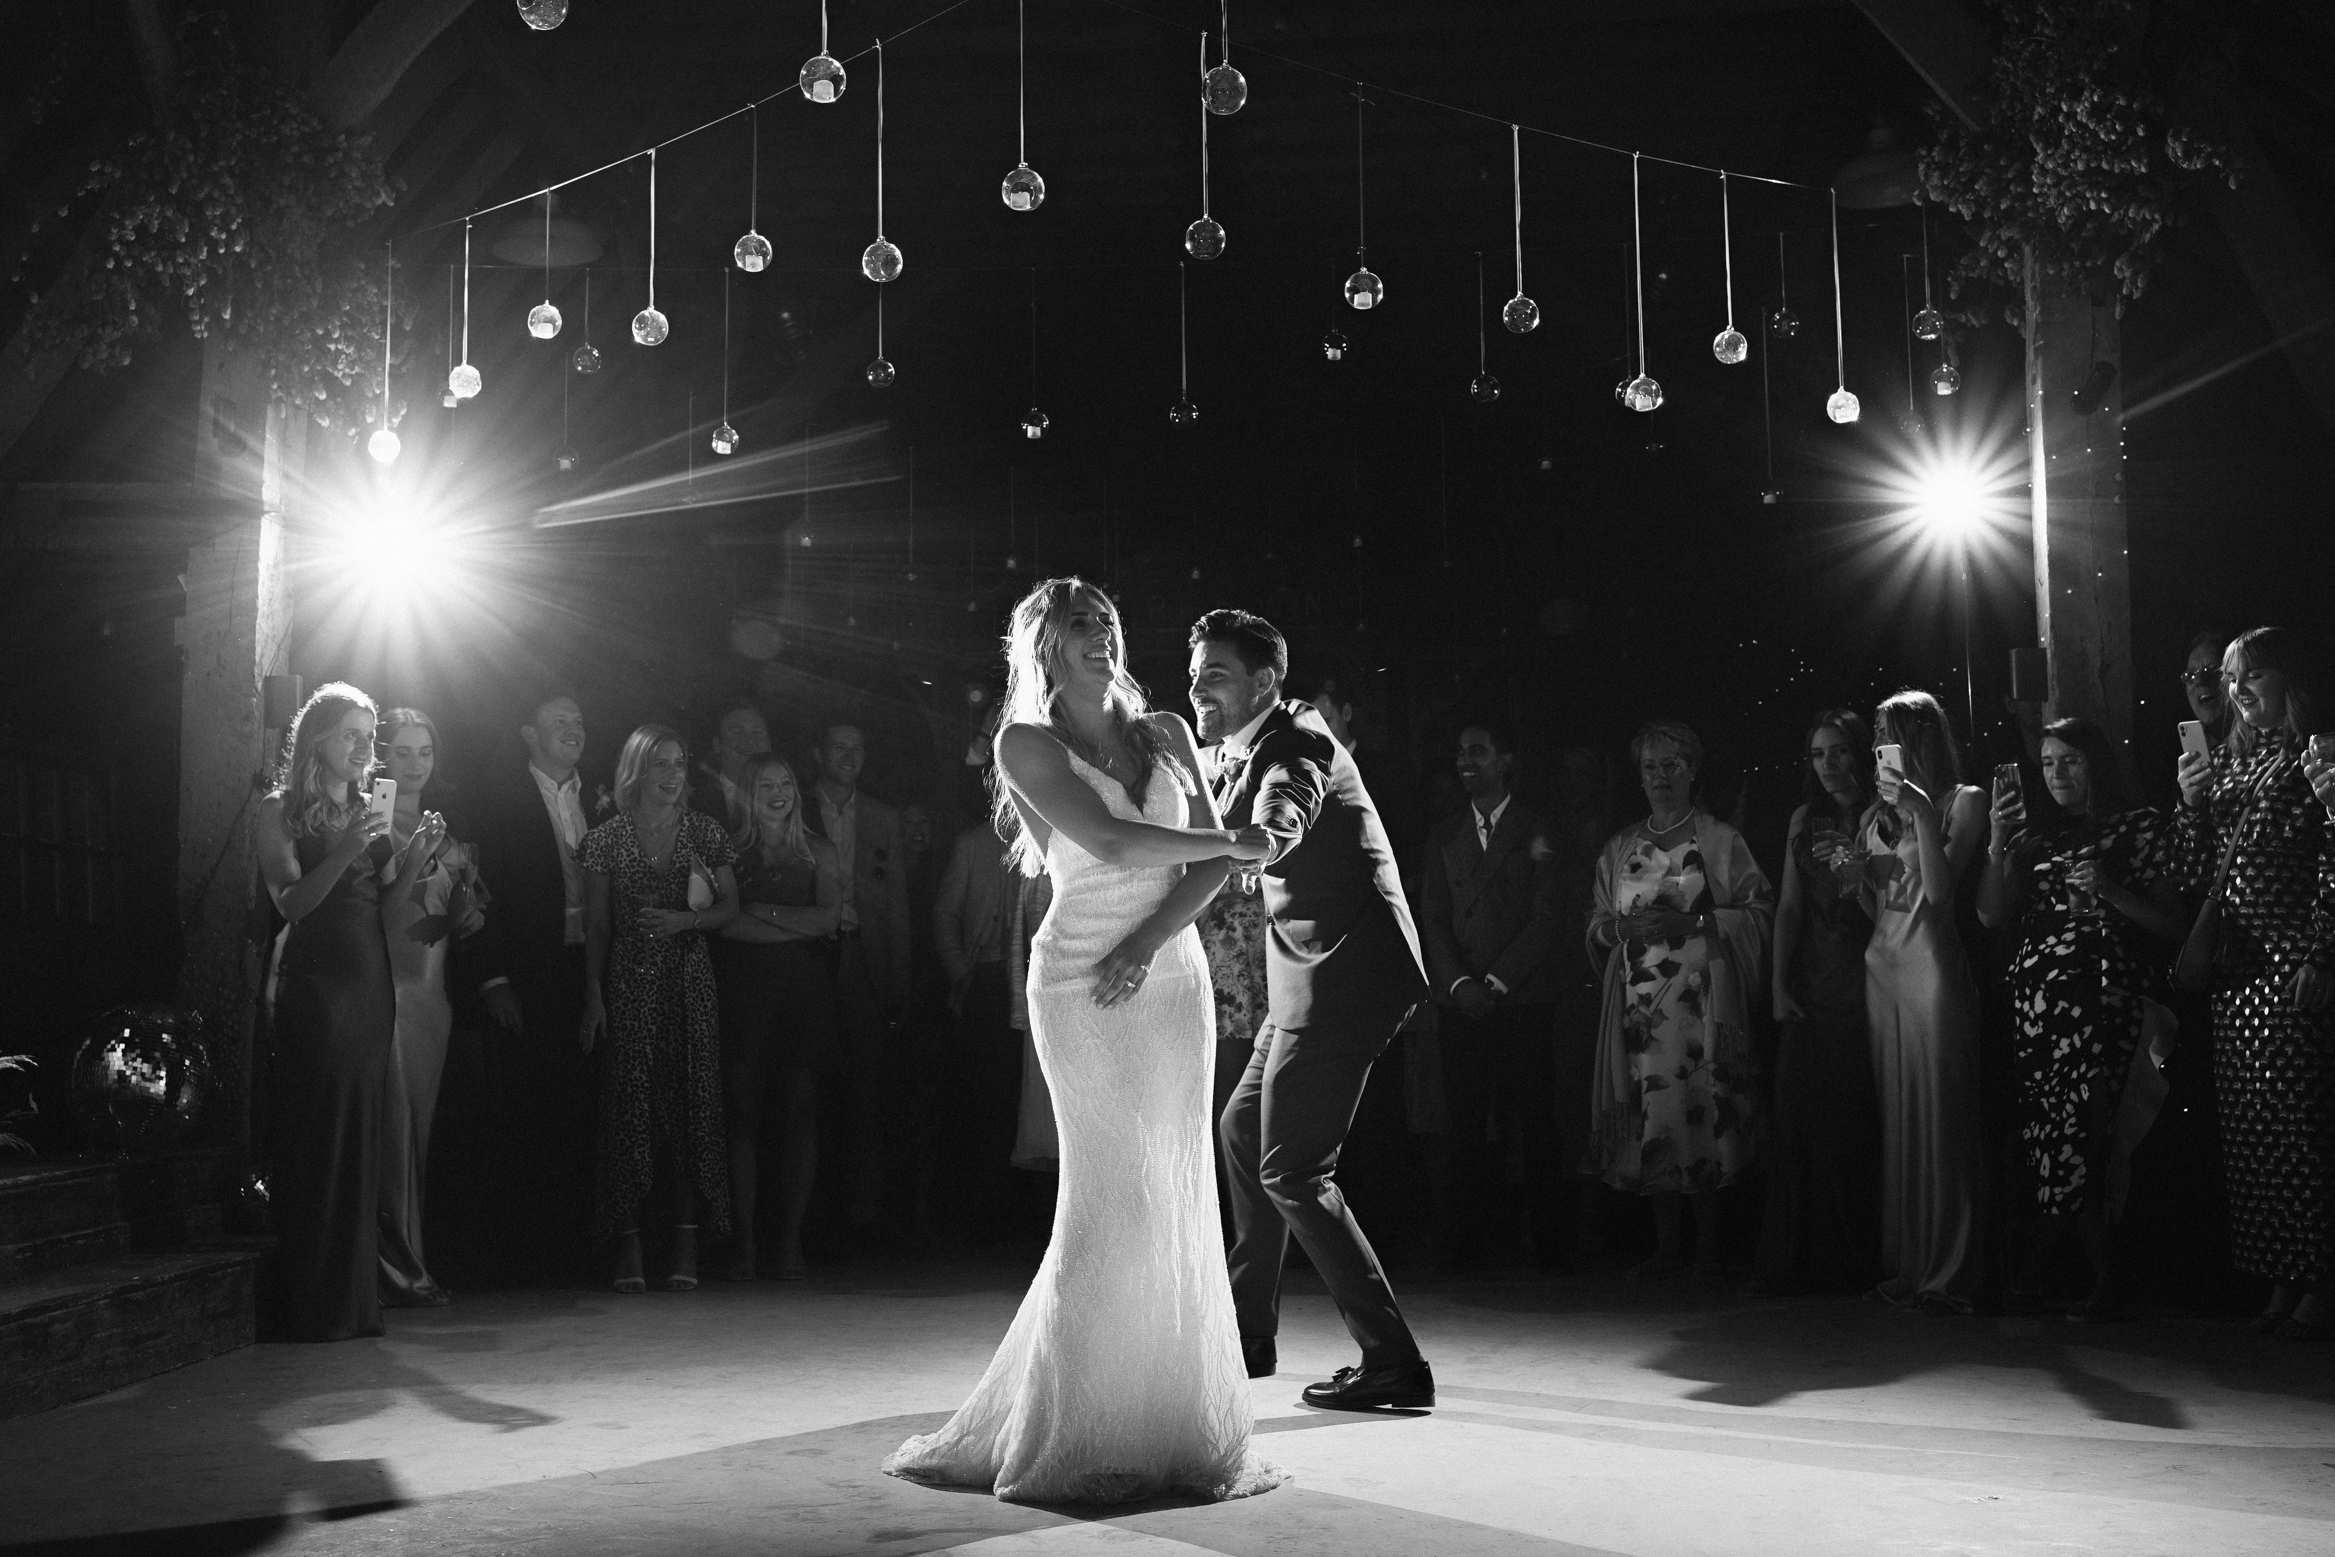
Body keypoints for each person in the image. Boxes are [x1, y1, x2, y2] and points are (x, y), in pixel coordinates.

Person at [883, 578, 1283, 1504]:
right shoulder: (1023, 742)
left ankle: (1166, 1424)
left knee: (1174, 1189)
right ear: (1045, 649)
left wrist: (1153, 934)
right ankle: (1075, 1425)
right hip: (1078, 979)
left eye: (1106, 622)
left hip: (1170, 976)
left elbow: (1194, 870)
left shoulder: (1168, 732)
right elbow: (1105, 840)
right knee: (1109, 1192)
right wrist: (1232, 838)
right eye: (1079, 627)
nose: (1101, 636)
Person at [1198, 609, 1435, 1411]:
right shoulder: (1247, 742)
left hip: (1348, 975)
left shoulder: (1298, 740)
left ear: (1264, 681)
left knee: (1294, 1170)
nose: (1198, 685)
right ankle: (1246, 1332)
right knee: (1239, 1128)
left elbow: (1282, 804)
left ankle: (1392, 1361)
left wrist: (1264, 838)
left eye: (1215, 673)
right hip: (1311, 975)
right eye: (1195, 672)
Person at [1978, 717, 2185, 1319]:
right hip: (2039, 1010)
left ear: (2096, 762)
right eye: (2047, 763)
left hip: (2103, 1001)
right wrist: (1997, 843)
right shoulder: (2039, 836)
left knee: (2089, 1136)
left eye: (2069, 760)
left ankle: (2104, 1277)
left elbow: (2173, 926)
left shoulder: (2140, 826)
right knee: (2046, 1137)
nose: (2057, 774)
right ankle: (2060, 1268)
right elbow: (1991, 916)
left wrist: (2114, 892)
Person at [256, 683, 442, 1341]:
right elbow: (291, 903)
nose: (367, 747)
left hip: (369, 986)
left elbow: (385, 911)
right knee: (319, 1136)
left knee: (362, 1138)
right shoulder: (278, 809)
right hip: (316, 987)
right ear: (318, 741)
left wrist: (416, 854)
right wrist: (344, 846)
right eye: (353, 735)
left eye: (370, 736)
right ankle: (313, 1305)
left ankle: (354, 1304)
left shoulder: (372, 808)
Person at [2183, 627, 2335, 1340]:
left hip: (2289, 965)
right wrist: (2188, 802)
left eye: (2251, 675)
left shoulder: (2319, 757)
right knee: (2254, 1136)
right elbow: (2193, 874)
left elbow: (2333, 861)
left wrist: (2321, 953)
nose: (2236, 689)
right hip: (2235, 976)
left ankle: (2321, 1283)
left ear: (2287, 681)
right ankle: (2279, 1281)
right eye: (2229, 677)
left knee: (2304, 1132)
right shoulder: (2231, 768)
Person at [1584, 720, 1772, 1279]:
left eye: (1672, 766)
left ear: (1692, 771)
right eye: (1651, 767)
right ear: (1638, 777)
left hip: (1703, 1002)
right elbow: (1594, 925)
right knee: (1654, 1115)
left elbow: (1759, 913)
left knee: (1704, 1109)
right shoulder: (1620, 847)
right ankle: (1667, 1248)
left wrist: (1693, 921)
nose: (1661, 776)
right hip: (1640, 1006)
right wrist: (1620, 932)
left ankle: (1709, 1249)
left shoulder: (1718, 839)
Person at [578, 725, 741, 1293]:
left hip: (689, 980)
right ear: (637, 771)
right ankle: (629, 1248)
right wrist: (593, 994)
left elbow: (731, 908)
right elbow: (596, 926)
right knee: (631, 1108)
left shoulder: (705, 832)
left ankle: (688, 1243)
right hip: (627, 983)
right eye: (661, 765)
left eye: (680, 763)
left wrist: (685, 921)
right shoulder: (606, 839)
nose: (673, 775)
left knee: (691, 1104)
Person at [1420, 720, 1568, 1271]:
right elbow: (1432, 918)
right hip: (1462, 1003)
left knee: (1534, 1125)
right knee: (1465, 1127)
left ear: (1505, 759)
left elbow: (1546, 915)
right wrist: (1459, 983)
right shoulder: (1443, 833)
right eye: (1460, 753)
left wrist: (1497, 981)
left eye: (1478, 752)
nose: (1466, 763)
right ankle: (1467, 1250)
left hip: (1522, 999)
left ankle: (1551, 1249)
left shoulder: (1536, 828)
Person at [1860, 688, 1990, 1312]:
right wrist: (1850, 878)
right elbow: (1877, 904)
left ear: (1919, 741)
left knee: (1942, 1118)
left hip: (1932, 965)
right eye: (1878, 741)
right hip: (1881, 966)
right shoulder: (1873, 816)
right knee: (1899, 1124)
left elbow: (1941, 896)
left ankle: (1950, 1272)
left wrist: (1919, 813)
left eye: (1891, 738)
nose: (1882, 754)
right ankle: (1909, 1268)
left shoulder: (1961, 801)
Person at [468, 690, 599, 1280]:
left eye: (577, 721)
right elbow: (480, 892)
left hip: (589, 964)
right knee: (528, 1110)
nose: (573, 730)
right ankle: (527, 1254)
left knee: (584, 1106)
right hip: (530, 967)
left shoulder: (601, 798)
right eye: (558, 722)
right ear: (529, 734)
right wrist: (494, 978)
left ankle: (579, 1249)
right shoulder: (499, 801)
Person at [1753, 710, 1881, 1295]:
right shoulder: (1805, 817)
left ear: (1861, 752)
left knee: (1851, 1121)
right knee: (1800, 1116)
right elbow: (1787, 907)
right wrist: (1777, 984)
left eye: (1838, 751)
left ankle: (1854, 1261)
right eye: (1816, 754)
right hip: (1812, 973)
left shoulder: (1884, 814)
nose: (1827, 765)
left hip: (1868, 969)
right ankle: (1797, 1262)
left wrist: (1859, 873)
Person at [713, 754, 843, 1282]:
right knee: (741, 1117)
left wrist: (761, 912)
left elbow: (829, 921)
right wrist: (795, 924)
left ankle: (790, 1243)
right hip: (745, 996)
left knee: (801, 1115)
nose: (776, 791)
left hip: (803, 998)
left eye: (784, 782)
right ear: (748, 792)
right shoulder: (728, 851)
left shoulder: (822, 851)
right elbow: (725, 928)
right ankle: (744, 1244)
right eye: (764, 783)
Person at [375, 707, 485, 1308]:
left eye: (425, 752)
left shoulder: (447, 823)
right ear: (381, 758)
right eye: (402, 752)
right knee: (391, 1131)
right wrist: (418, 854)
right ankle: (398, 1273)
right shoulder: (372, 816)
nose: (415, 764)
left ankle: (411, 1264)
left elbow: (467, 920)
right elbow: (374, 908)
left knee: (417, 1134)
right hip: (384, 986)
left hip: (432, 994)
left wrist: (466, 903)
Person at [807, 719, 915, 1234]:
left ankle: (861, 1214)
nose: (849, 756)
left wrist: (898, 982)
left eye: (858, 748)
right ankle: (812, 1209)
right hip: (805, 955)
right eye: (839, 746)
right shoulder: (795, 803)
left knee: (865, 1088)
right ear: (818, 752)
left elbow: (896, 904)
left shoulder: (880, 816)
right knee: (808, 1082)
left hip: (860, 959)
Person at [929, 816, 1025, 1244]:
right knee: (982, 1098)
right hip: (983, 981)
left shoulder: (1053, 833)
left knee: (1018, 1100)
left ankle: (1017, 1214)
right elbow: (945, 912)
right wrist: (962, 973)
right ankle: (981, 1215)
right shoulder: (971, 842)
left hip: (1028, 982)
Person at [700, 700, 772, 832]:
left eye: (757, 732)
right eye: (737, 732)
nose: (749, 740)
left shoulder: (792, 800)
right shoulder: (695, 801)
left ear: (769, 743)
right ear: (717, 744)